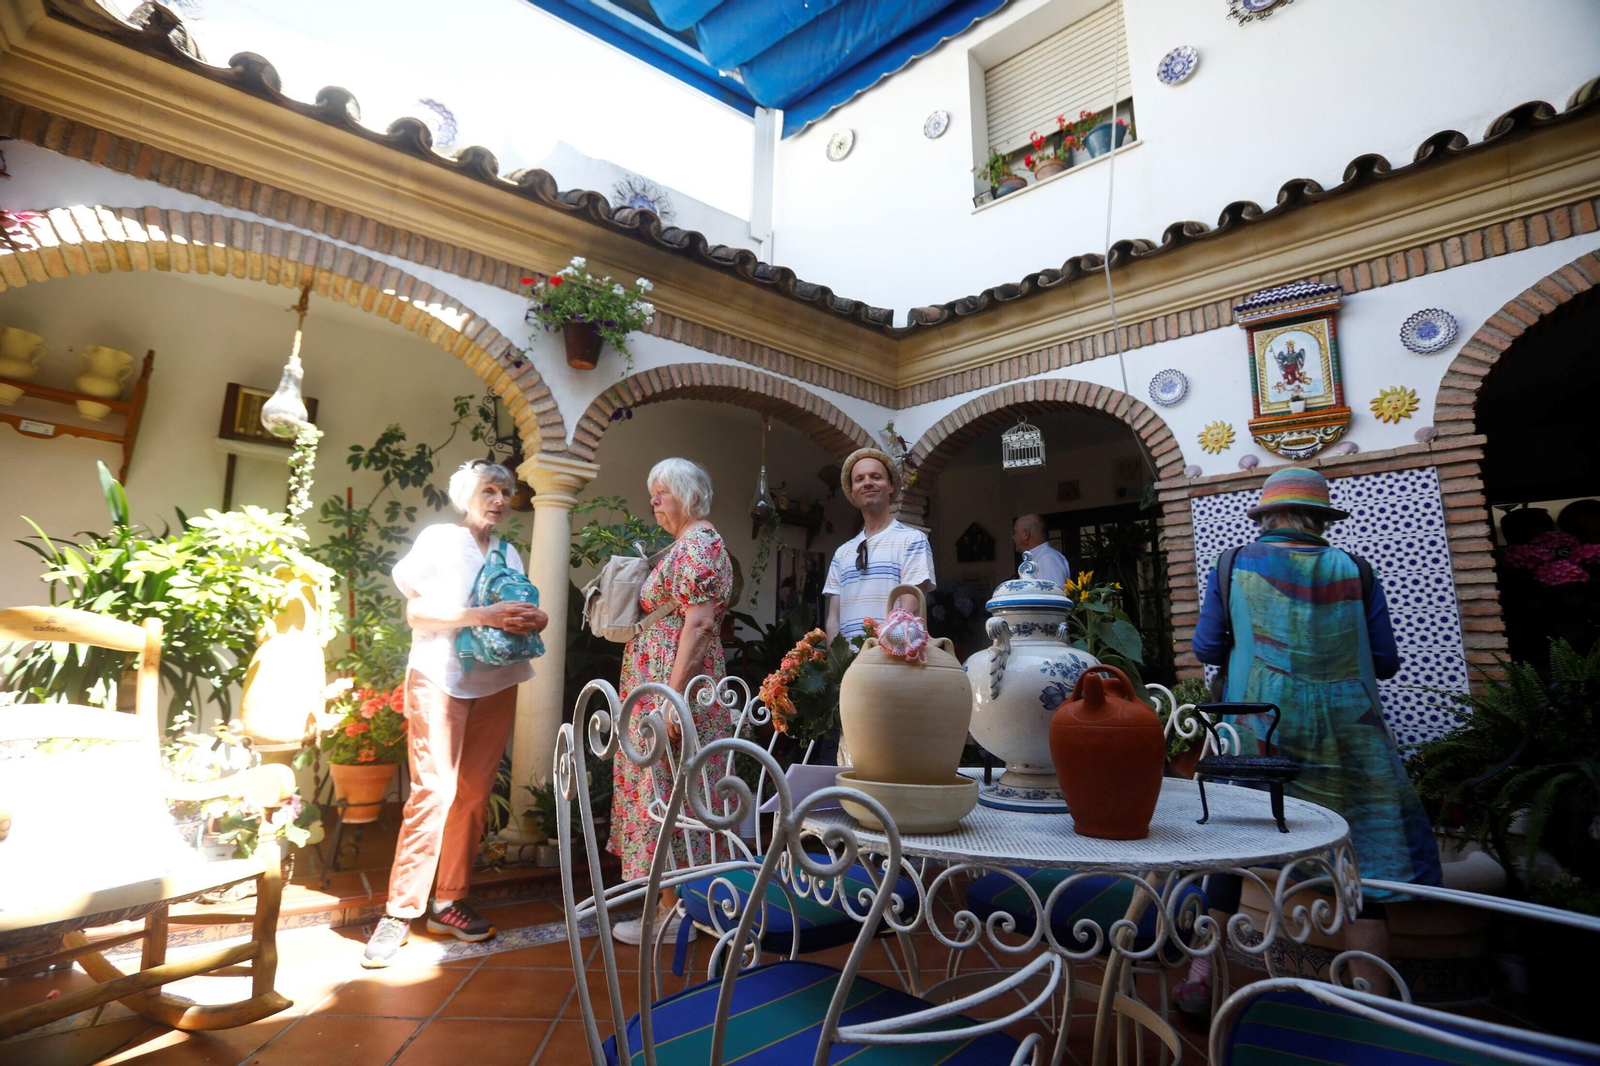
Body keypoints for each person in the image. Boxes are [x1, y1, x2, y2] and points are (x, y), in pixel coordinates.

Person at [1174, 466, 1441, 1013]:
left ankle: (1202, 979)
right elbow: (1386, 661)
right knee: (1356, 858)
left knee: (1232, 853)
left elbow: (1206, 647)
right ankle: (1371, 1004)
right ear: (1320, 518)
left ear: (1267, 515)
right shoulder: (1356, 569)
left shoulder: (1232, 563)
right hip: (1351, 733)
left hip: (1260, 730)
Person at [363, 460, 549, 969]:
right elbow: (417, 613)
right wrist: (481, 615)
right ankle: (400, 912)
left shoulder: (510, 552)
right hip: (439, 674)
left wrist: (537, 617)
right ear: (467, 494)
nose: (499, 499)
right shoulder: (441, 540)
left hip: (496, 680)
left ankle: (449, 901)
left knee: (472, 793)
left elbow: (521, 611)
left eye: (506, 491)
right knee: (434, 791)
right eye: (489, 489)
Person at [607, 458, 734, 945]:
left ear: (686, 494)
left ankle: (676, 914)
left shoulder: (699, 544)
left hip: (673, 690)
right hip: (663, 687)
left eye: (661, 493)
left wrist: (669, 700)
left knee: (671, 792)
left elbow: (699, 625)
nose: (654, 502)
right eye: (653, 493)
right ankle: (678, 906)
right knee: (668, 789)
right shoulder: (689, 545)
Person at [823, 447, 935, 641]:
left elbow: (912, 604)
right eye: (859, 479)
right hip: (851, 667)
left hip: (894, 661)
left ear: (890, 486)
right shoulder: (842, 553)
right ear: (853, 491)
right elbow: (833, 618)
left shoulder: (912, 540)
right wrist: (837, 663)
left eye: (875, 477)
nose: (867, 483)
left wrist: (880, 652)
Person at [1011, 514, 1070, 586]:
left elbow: (1054, 595)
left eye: (1015, 532)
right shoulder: (1039, 558)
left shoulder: (1048, 559)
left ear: (1026, 534)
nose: (1013, 538)